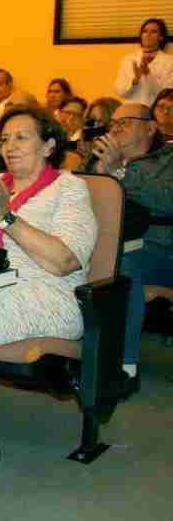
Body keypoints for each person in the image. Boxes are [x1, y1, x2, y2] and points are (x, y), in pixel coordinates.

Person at [0, 106, 97, 348]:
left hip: (48, 294)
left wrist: (4, 216)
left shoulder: (70, 188)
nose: (10, 146)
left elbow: (65, 261)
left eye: (21, 137)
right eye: (5, 139)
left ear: (48, 146)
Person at [87, 102, 170, 393]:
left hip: (158, 250)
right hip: (105, 244)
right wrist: (98, 170)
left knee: (122, 266)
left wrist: (119, 172)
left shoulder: (167, 160)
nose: (117, 128)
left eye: (127, 122)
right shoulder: (98, 157)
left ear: (150, 127)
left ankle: (125, 368)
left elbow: (166, 199)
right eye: (115, 123)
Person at [115, 18, 173, 105]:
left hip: (155, 113)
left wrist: (148, 75)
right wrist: (135, 81)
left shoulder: (170, 62)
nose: (148, 35)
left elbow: (167, 95)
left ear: (161, 37)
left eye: (153, 32)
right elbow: (119, 91)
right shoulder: (129, 59)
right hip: (131, 112)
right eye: (145, 31)